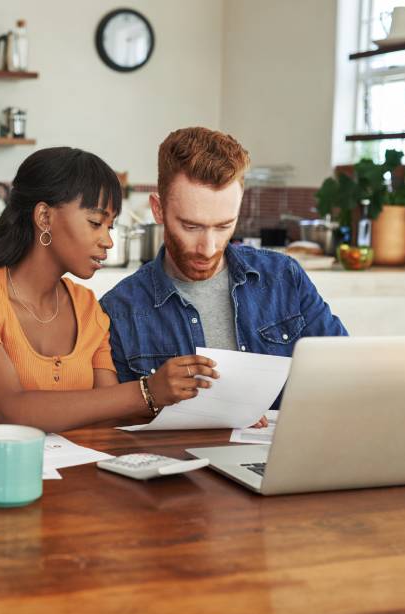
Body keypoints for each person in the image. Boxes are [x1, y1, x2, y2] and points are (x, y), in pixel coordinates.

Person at [0, 147, 219, 432]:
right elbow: (11, 410)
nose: (107, 241)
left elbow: (109, 415)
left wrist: (212, 412)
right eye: (96, 223)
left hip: (73, 472)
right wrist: (147, 391)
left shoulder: (87, 306)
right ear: (44, 217)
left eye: (110, 226)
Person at [99, 127, 348, 419]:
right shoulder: (119, 310)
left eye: (223, 226)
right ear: (158, 209)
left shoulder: (284, 277)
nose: (208, 247)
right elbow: (119, 432)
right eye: (191, 227)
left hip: (282, 458)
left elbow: (343, 372)